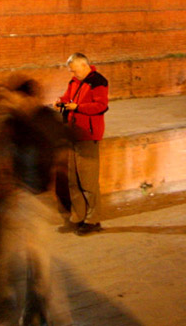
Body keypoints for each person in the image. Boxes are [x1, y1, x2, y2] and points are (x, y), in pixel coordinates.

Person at [56, 53, 108, 235]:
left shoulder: (98, 81)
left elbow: (101, 106)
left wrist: (78, 107)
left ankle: (93, 220)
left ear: (85, 66)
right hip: (73, 134)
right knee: (74, 180)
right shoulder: (74, 81)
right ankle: (77, 217)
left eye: (75, 70)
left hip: (88, 135)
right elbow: (66, 97)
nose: (73, 73)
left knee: (88, 181)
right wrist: (61, 103)